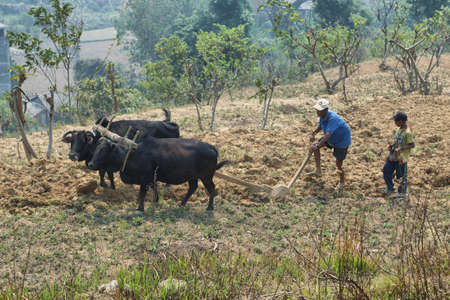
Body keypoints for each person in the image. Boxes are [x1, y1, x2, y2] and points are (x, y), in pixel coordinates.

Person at [308, 98, 351, 195]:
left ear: (325, 110)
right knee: (314, 146)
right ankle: (318, 170)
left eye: (319, 110)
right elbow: (320, 126)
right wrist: (313, 133)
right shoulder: (322, 116)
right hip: (331, 138)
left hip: (341, 141)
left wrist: (318, 145)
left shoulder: (333, 118)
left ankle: (342, 182)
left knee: (338, 164)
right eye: (317, 110)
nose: (317, 112)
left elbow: (327, 135)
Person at [382, 111, 415, 199]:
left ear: (400, 121)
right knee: (386, 170)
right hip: (393, 156)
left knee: (400, 177)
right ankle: (390, 188)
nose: (394, 123)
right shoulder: (399, 129)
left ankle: (402, 193)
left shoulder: (407, 133)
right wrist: (392, 146)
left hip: (401, 158)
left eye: (395, 121)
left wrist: (401, 148)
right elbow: (397, 141)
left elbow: (412, 145)